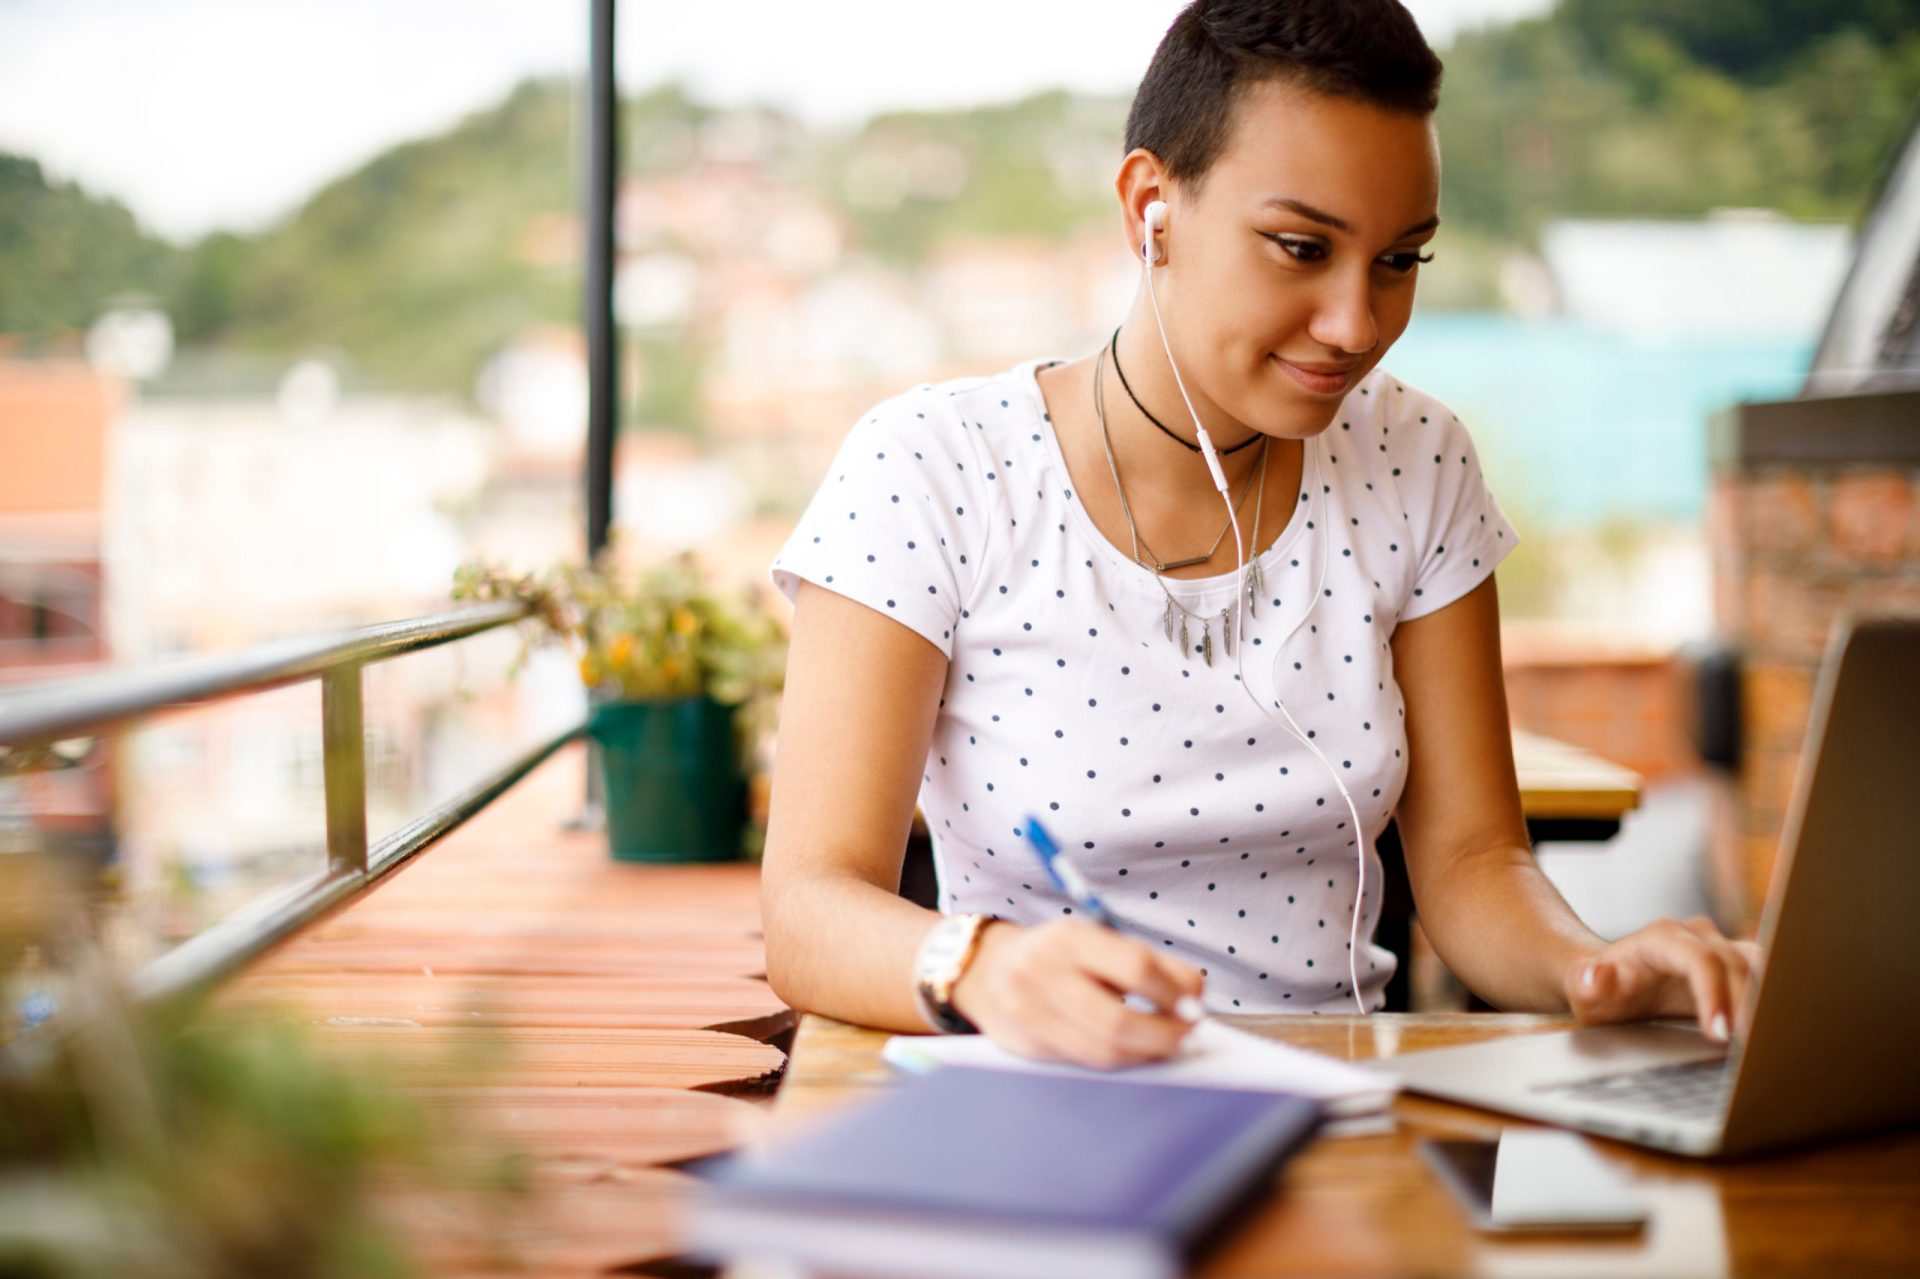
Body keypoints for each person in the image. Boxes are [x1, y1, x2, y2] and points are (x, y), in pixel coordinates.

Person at [760, 0, 1762, 1070]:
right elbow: (810, 908)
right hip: (1047, 1111)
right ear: (1152, 206)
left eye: (1400, 261)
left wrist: (1590, 967)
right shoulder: (934, 467)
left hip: (1350, 1120)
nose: (1355, 326)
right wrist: (986, 968)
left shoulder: (1418, 459)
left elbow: (1472, 860)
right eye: (1300, 248)